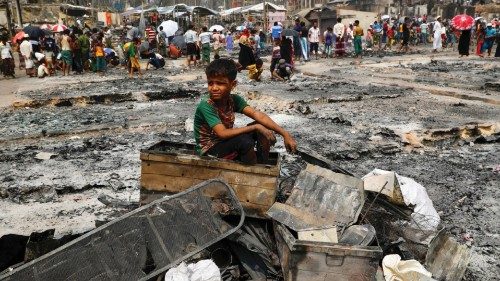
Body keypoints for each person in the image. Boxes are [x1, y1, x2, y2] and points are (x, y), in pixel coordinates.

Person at [194, 59, 297, 164]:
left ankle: (263, 164)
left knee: (262, 128)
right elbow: (223, 133)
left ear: (233, 84)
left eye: (220, 83)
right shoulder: (206, 105)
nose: (214, 88)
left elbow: (258, 115)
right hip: (210, 150)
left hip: (225, 143)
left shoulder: (234, 100)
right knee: (244, 141)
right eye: (210, 83)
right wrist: (255, 126)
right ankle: (252, 172)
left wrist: (285, 134)